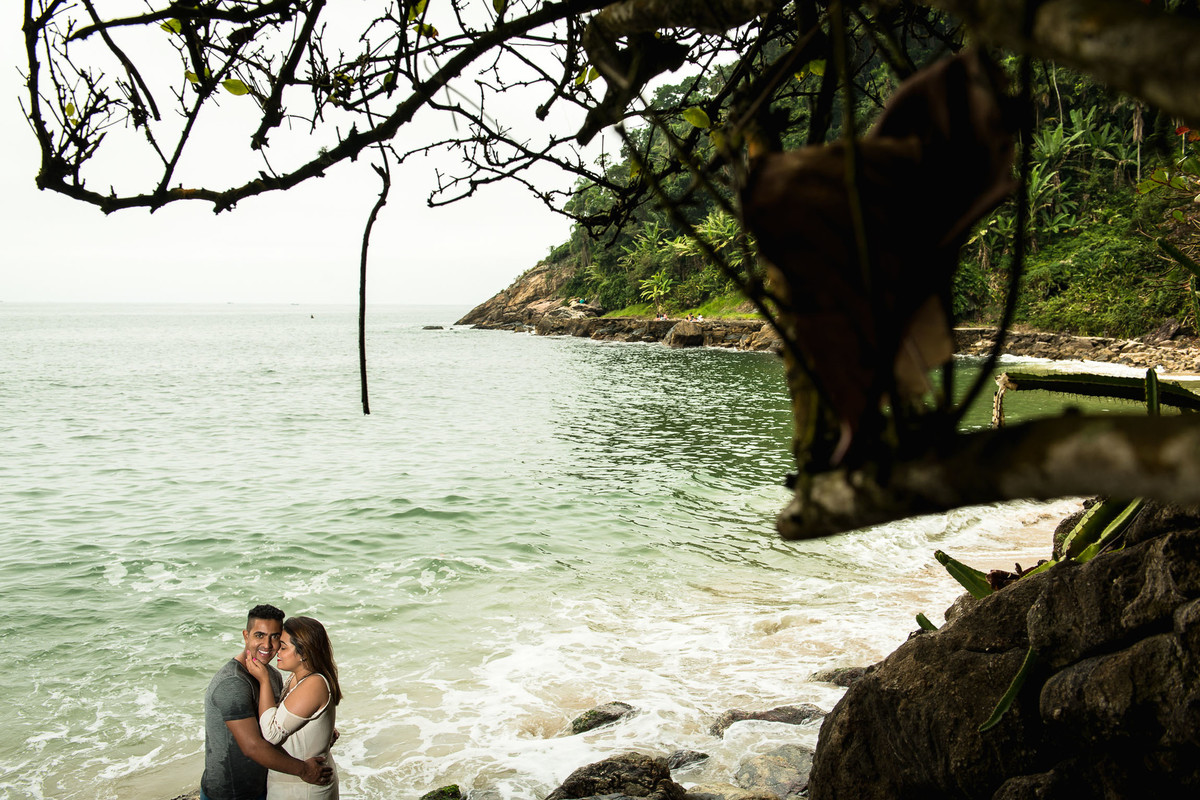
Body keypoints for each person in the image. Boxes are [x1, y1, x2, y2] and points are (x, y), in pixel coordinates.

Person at [202, 605, 332, 800]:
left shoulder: (271, 674)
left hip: (265, 785)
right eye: (259, 636)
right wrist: (304, 770)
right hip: (232, 793)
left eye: (275, 637)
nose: (268, 645)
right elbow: (252, 746)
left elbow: (282, 717)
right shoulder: (232, 683)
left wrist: (317, 730)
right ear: (246, 636)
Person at [246, 615, 342, 799]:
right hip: (294, 782)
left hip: (305, 788)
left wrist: (264, 680)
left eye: (283, 647)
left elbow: (272, 734)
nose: (276, 651)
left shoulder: (313, 684)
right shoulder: (297, 677)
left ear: (304, 653)